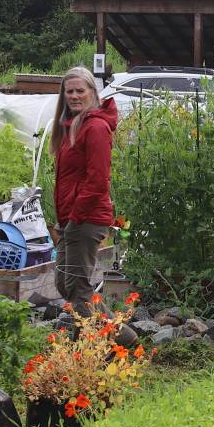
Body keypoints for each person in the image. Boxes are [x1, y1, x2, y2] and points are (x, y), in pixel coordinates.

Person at [51, 66, 119, 316]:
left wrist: (76, 216)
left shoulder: (96, 128)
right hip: (71, 219)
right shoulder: (70, 126)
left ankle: (96, 347)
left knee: (78, 289)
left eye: (80, 90)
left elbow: (98, 181)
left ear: (92, 91)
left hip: (86, 218)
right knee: (64, 284)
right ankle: (118, 336)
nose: (74, 96)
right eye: (69, 91)